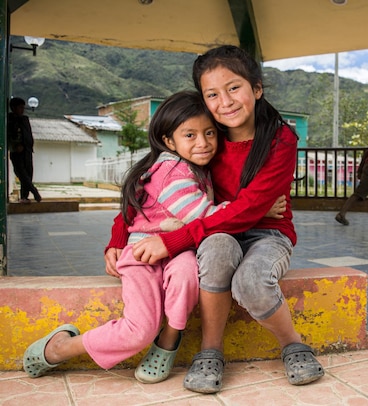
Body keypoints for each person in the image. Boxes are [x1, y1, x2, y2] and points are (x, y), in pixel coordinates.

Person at [104, 45, 324, 394]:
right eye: (212, 94)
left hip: (268, 232)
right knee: (218, 250)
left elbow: (251, 209)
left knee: (251, 281)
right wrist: (119, 238)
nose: (225, 102)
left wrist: (174, 240)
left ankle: (292, 344)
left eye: (234, 87)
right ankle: (210, 351)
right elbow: (150, 184)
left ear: (257, 88)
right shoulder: (208, 134)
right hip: (216, 231)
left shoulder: (280, 139)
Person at [23, 91, 228, 384]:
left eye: (209, 133)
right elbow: (203, 215)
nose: (203, 142)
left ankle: (169, 337)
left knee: (186, 273)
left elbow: (139, 207)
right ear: (169, 141)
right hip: (144, 252)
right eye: (190, 135)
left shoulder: (196, 167)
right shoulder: (172, 169)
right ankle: (60, 348)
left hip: (177, 249)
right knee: (139, 329)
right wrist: (258, 208)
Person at [7, 97, 41, 203]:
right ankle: (34, 192)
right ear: (13, 108)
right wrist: (16, 145)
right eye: (20, 107)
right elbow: (10, 135)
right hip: (16, 151)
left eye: (23, 107)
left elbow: (28, 134)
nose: (22, 110)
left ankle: (24, 196)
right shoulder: (10, 119)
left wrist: (28, 146)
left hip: (27, 150)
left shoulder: (25, 119)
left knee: (29, 173)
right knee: (21, 173)